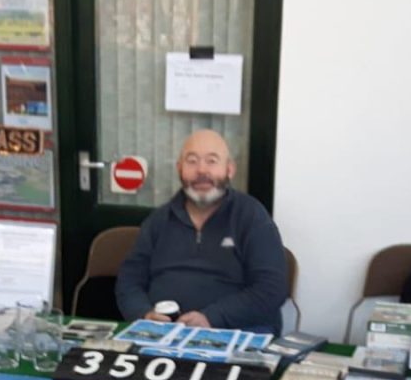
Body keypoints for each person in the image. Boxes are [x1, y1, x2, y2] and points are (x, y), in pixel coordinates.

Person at [115, 129, 288, 335]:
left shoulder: (251, 218)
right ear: (180, 169)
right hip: (163, 336)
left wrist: (213, 317)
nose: (201, 170)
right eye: (192, 161)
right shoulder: (158, 221)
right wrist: (144, 314)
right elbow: (129, 281)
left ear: (229, 169)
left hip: (235, 334)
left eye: (212, 161)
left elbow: (272, 288)